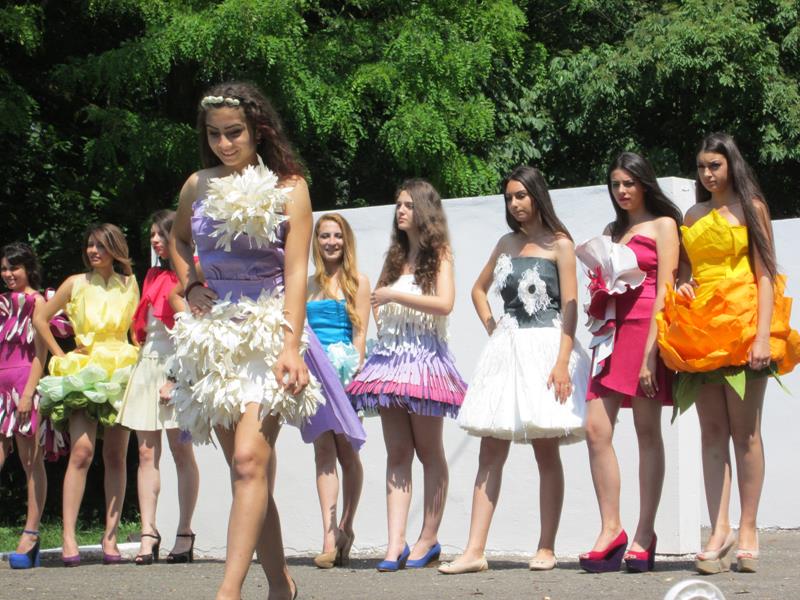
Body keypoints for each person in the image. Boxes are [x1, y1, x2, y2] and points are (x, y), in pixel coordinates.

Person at [169, 81, 362, 600]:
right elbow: (178, 239)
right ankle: (281, 585)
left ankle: (227, 592)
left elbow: (297, 272)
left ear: (258, 130)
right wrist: (190, 282)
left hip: (271, 329)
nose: (224, 144)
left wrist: (290, 345)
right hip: (215, 338)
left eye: (234, 133)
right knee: (246, 472)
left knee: (249, 461)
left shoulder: (290, 188)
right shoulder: (197, 185)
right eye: (214, 134)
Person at [657, 132, 800, 574]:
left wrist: (762, 337)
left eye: (714, 165)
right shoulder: (692, 214)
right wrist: (684, 283)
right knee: (711, 433)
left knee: (746, 433)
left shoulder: (753, 207)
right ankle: (718, 531)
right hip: (701, 327)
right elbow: (686, 268)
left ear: (731, 165)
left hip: (743, 323)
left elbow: (765, 274)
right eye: (702, 166)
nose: (707, 174)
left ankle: (749, 528)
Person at [439, 166, 588, 574]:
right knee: (490, 449)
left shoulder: (561, 244)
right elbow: (477, 290)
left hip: (546, 350)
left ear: (537, 195)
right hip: (506, 351)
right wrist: (494, 328)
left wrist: (562, 361)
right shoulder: (505, 242)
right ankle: (474, 550)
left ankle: (546, 546)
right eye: (509, 197)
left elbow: (571, 307)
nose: (515, 203)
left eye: (521, 195)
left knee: (545, 448)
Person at [347, 179, 467, 572]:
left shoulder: (440, 254)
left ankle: (428, 537)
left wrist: (394, 296)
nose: (400, 211)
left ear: (424, 210)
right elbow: (375, 301)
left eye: (408, 205)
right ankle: (395, 541)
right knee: (397, 452)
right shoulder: (394, 257)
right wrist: (382, 316)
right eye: (398, 204)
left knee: (430, 451)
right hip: (390, 362)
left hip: (426, 362)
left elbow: (445, 303)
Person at [576, 153, 681, 573]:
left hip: (645, 333)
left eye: (629, 183)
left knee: (646, 431)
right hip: (610, 333)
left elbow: (666, 289)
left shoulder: (664, 225)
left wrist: (652, 353)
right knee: (595, 429)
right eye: (616, 184)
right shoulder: (611, 231)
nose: (622, 191)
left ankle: (644, 533)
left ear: (644, 183)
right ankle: (611, 530)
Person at [34, 224, 140, 566]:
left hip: (122, 368)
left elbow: (137, 331)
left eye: (101, 245)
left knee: (116, 455)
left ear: (115, 248)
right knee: (81, 451)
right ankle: (68, 535)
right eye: (90, 245)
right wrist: (60, 355)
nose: (94, 251)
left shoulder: (130, 283)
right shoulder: (74, 283)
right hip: (85, 371)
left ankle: (110, 537)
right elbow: (41, 318)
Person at [117, 210, 200, 565]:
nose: (154, 240)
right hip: (146, 365)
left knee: (182, 452)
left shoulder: (192, 272)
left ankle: (185, 531)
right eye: (152, 235)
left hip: (176, 367)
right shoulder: (151, 274)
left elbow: (192, 331)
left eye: (161, 234)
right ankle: (148, 532)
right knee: (146, 454)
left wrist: (176, 378)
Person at [305, 213, 370, 568]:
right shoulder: (306, 285)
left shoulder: (358, 282)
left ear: (346, 241)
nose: (331, 242)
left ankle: (346, 525)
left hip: (345, 375)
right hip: (314, 375)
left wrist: (353, 374)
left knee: (347, 451)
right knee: (322, 450)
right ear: (316, 242)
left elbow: (360, 335)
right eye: (324, 236)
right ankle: (328, 537)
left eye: (337, 236)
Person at [0, 242, 70, 569]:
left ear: (28, 268)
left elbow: (41, 353)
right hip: (1, 387)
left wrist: (28, 393)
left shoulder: (38, 302)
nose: (8, 274)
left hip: (25, 384)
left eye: (14, 267)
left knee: (31, 461)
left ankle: (31, 533)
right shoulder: (3, 303)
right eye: (4, 268)